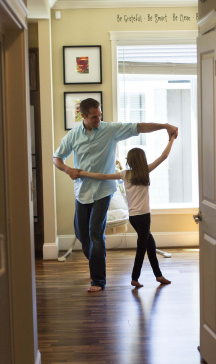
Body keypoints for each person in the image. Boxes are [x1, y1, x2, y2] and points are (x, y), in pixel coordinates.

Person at [53, 98, 177, 292]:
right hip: (82, 192)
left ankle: (98, 280)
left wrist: (164, 126)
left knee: (95, 233)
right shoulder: (73, 136)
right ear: (83, 116)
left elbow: (138, 127)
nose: (98, 119)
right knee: (81, 234)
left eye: (100, 115)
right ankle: (96, 261)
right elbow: (57, 158)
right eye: (94, 117)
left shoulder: (110, 130)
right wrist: (68, 169)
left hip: (103, 192)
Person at [79, 134, 177, 288]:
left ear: (129, 161)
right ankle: (134, 278)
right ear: (142, 160)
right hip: (143, 216)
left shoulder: (125, 174)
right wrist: (171, 139)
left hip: (134, 217)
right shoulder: (145, 171)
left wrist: (84, 173)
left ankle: (158, 275)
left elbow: (102, 176)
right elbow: (164, 156)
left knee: (150, 245)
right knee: (142, 247)